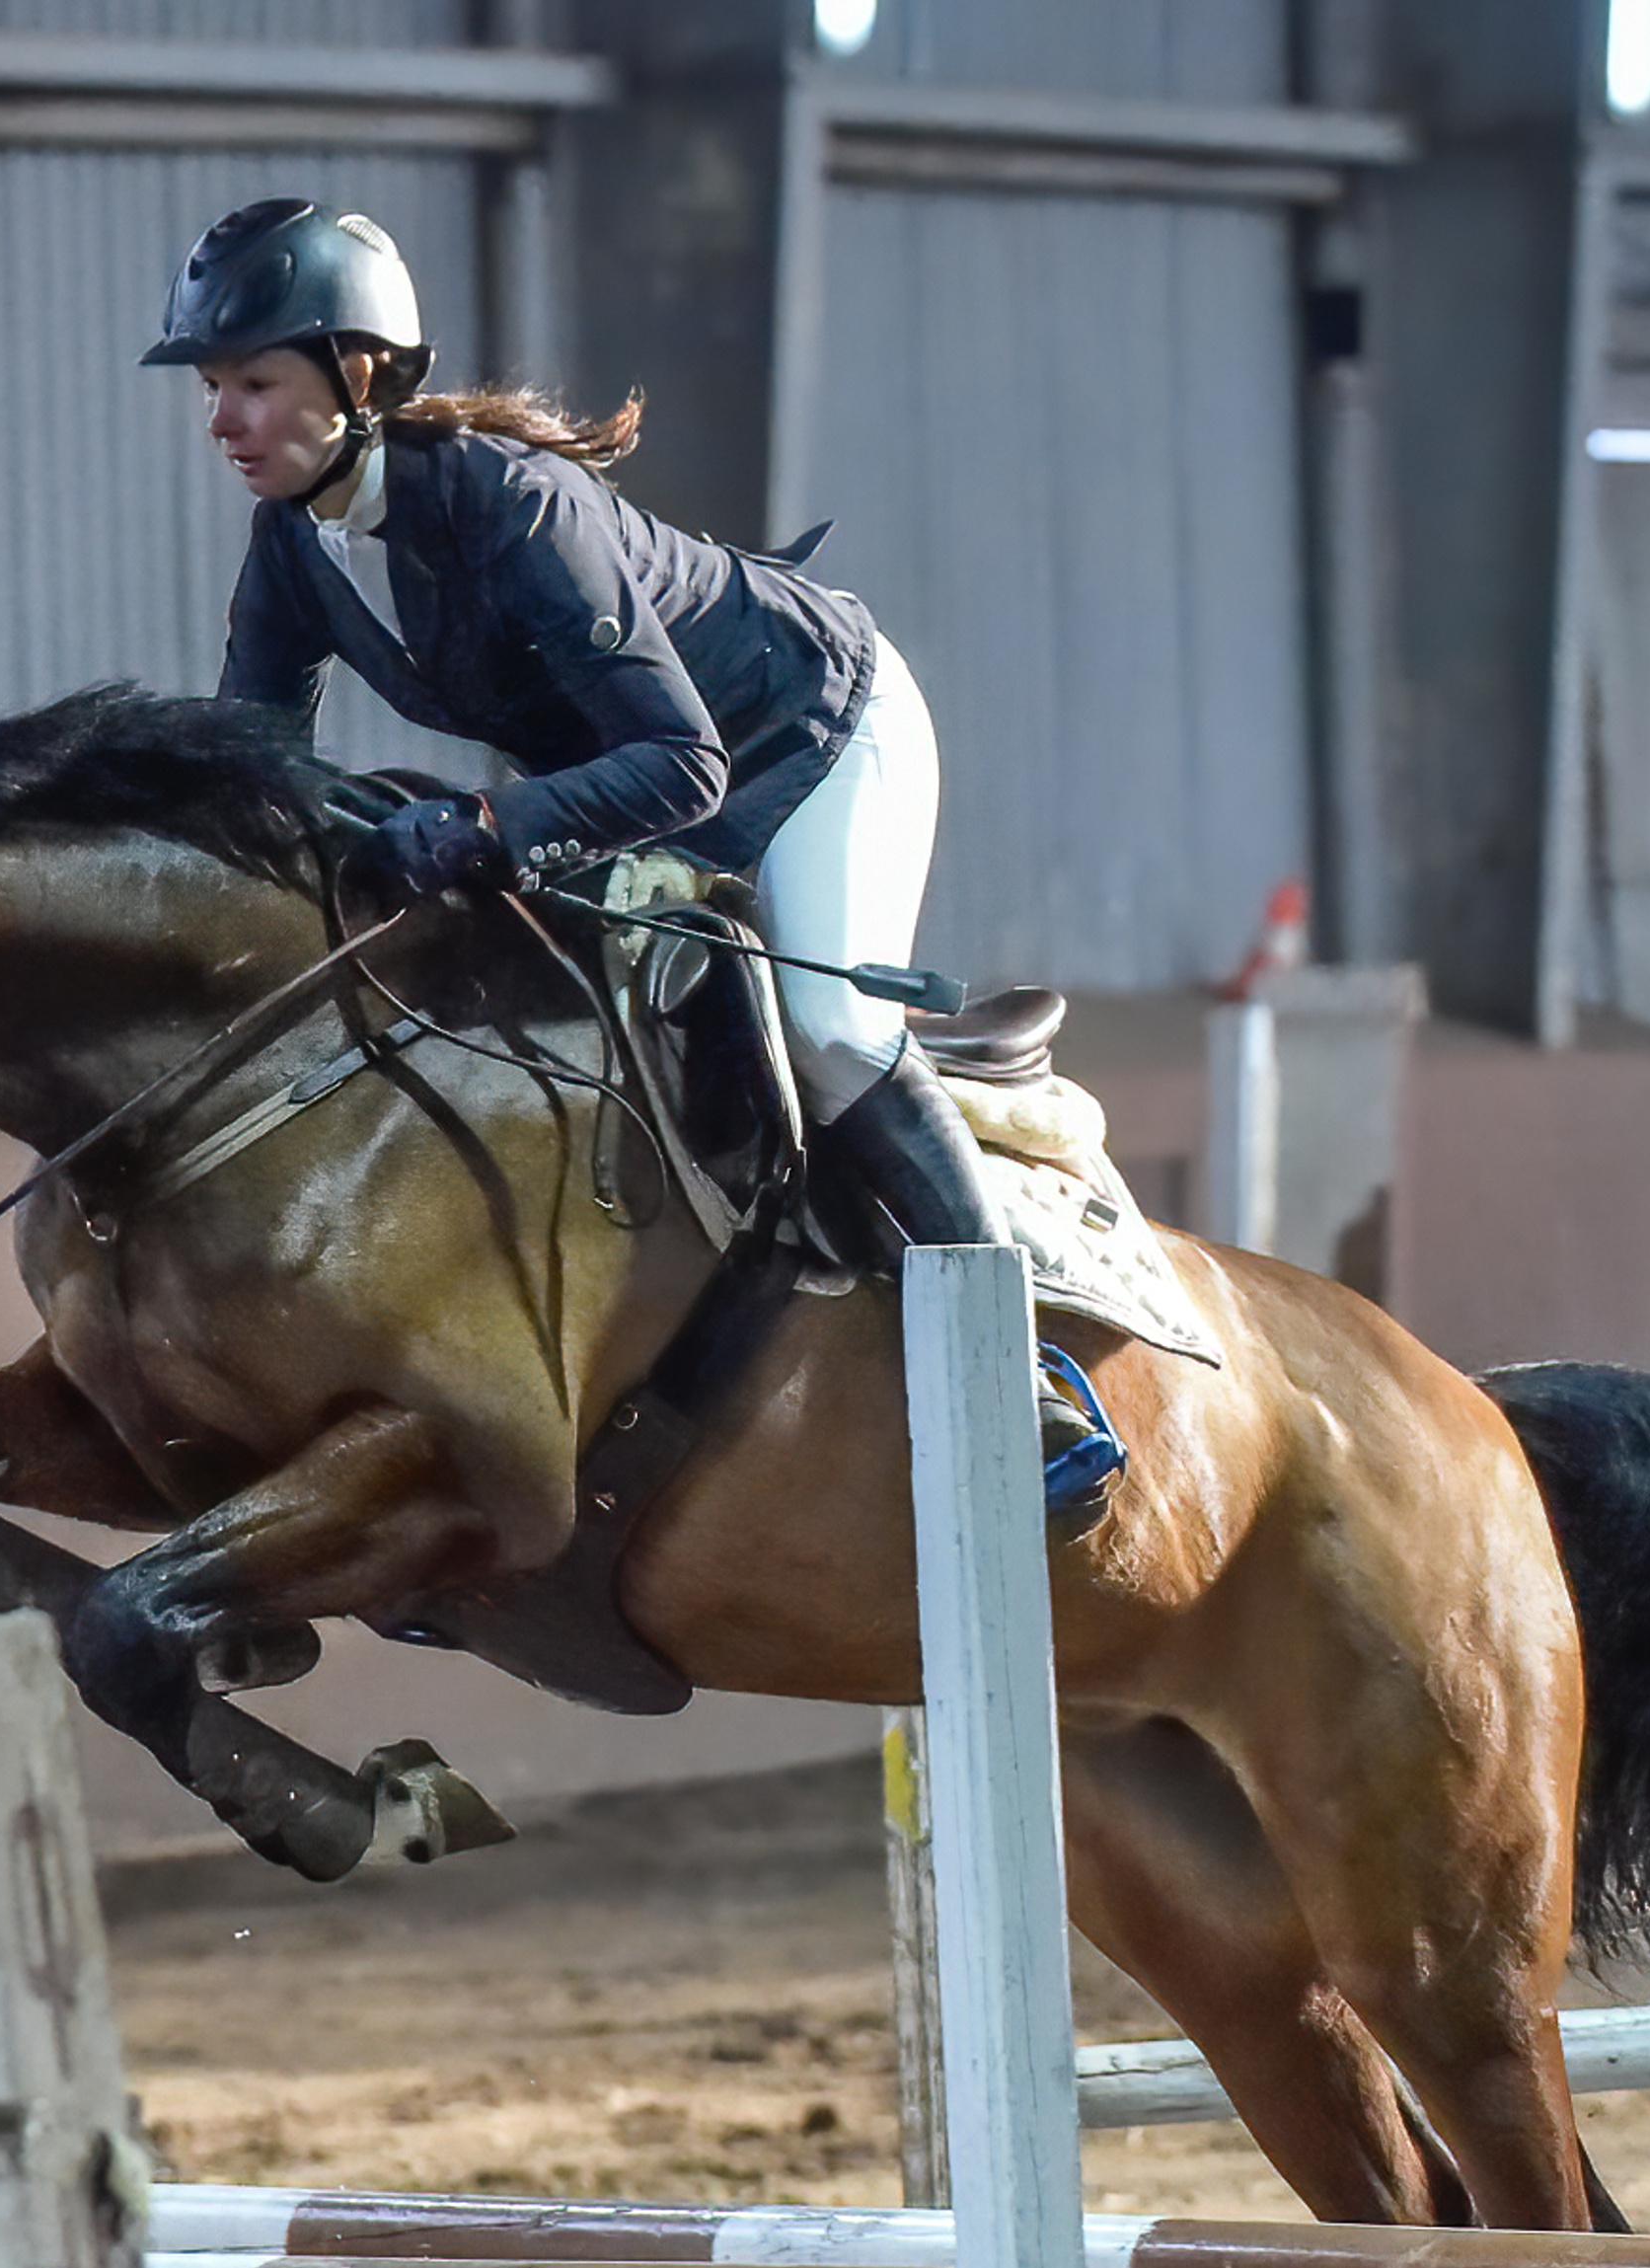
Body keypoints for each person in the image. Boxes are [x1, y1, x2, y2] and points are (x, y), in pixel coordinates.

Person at [144, 197, 1120, 1525]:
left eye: (254, 383)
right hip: (630, 772)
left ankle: (1030, 1385)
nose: (223, 421)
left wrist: (486, 829)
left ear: (358, 371)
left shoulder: (518, 506)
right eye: (215, 388)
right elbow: (254, 765)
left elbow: (686, 768)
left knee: (825, 1029)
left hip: (809, 731)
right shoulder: (295, 548)